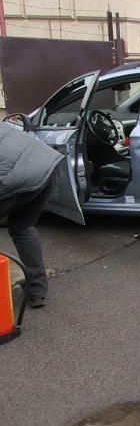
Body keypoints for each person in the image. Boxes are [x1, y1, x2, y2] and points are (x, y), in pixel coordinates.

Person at [0, 122, 63, 308]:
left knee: (21, 228)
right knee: (22, 227)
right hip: (48, 166)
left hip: (19, 178)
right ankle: (37, 291)